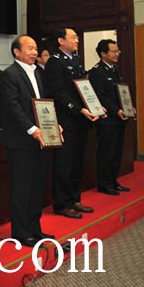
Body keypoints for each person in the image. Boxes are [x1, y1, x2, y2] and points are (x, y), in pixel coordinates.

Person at [0, 35, 59, 247]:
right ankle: (20, 232)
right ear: (17, 52)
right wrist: (32, 128)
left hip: (39, 140)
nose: (34, 52)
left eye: (35, 48)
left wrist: (54, 124)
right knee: (22, 188)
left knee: (36, 187)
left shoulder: (37, 73)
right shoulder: (9, 74)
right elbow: (12, 106)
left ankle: (35, 228)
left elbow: (42, 105)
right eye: (30, 48)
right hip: (20, 141)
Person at [44, 27, 100, 219]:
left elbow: (83, 89)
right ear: (61, 41)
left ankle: (74, 198)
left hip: (81, 120)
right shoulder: (55, 62)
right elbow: (58, 92)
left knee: (77, 162)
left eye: (77, 37)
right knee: (64, 163)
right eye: (73, 37)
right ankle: (62, 203)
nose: (77, 40)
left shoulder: (76, 60)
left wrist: (94, 106)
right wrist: (79, 109)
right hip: (66, 119)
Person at [88, 39, 132, 195]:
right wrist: (116, 110)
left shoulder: (115, 69)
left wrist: (128, 107)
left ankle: (113, 181)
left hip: (119, 119)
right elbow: (100, 96)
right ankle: (104, 184)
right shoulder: (97, 72)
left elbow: (121, 93)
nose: (117, 54)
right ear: (103, 54)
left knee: (117, 152)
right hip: (107, 120)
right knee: (107, 153)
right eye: (113, 51)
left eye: (117, 51)